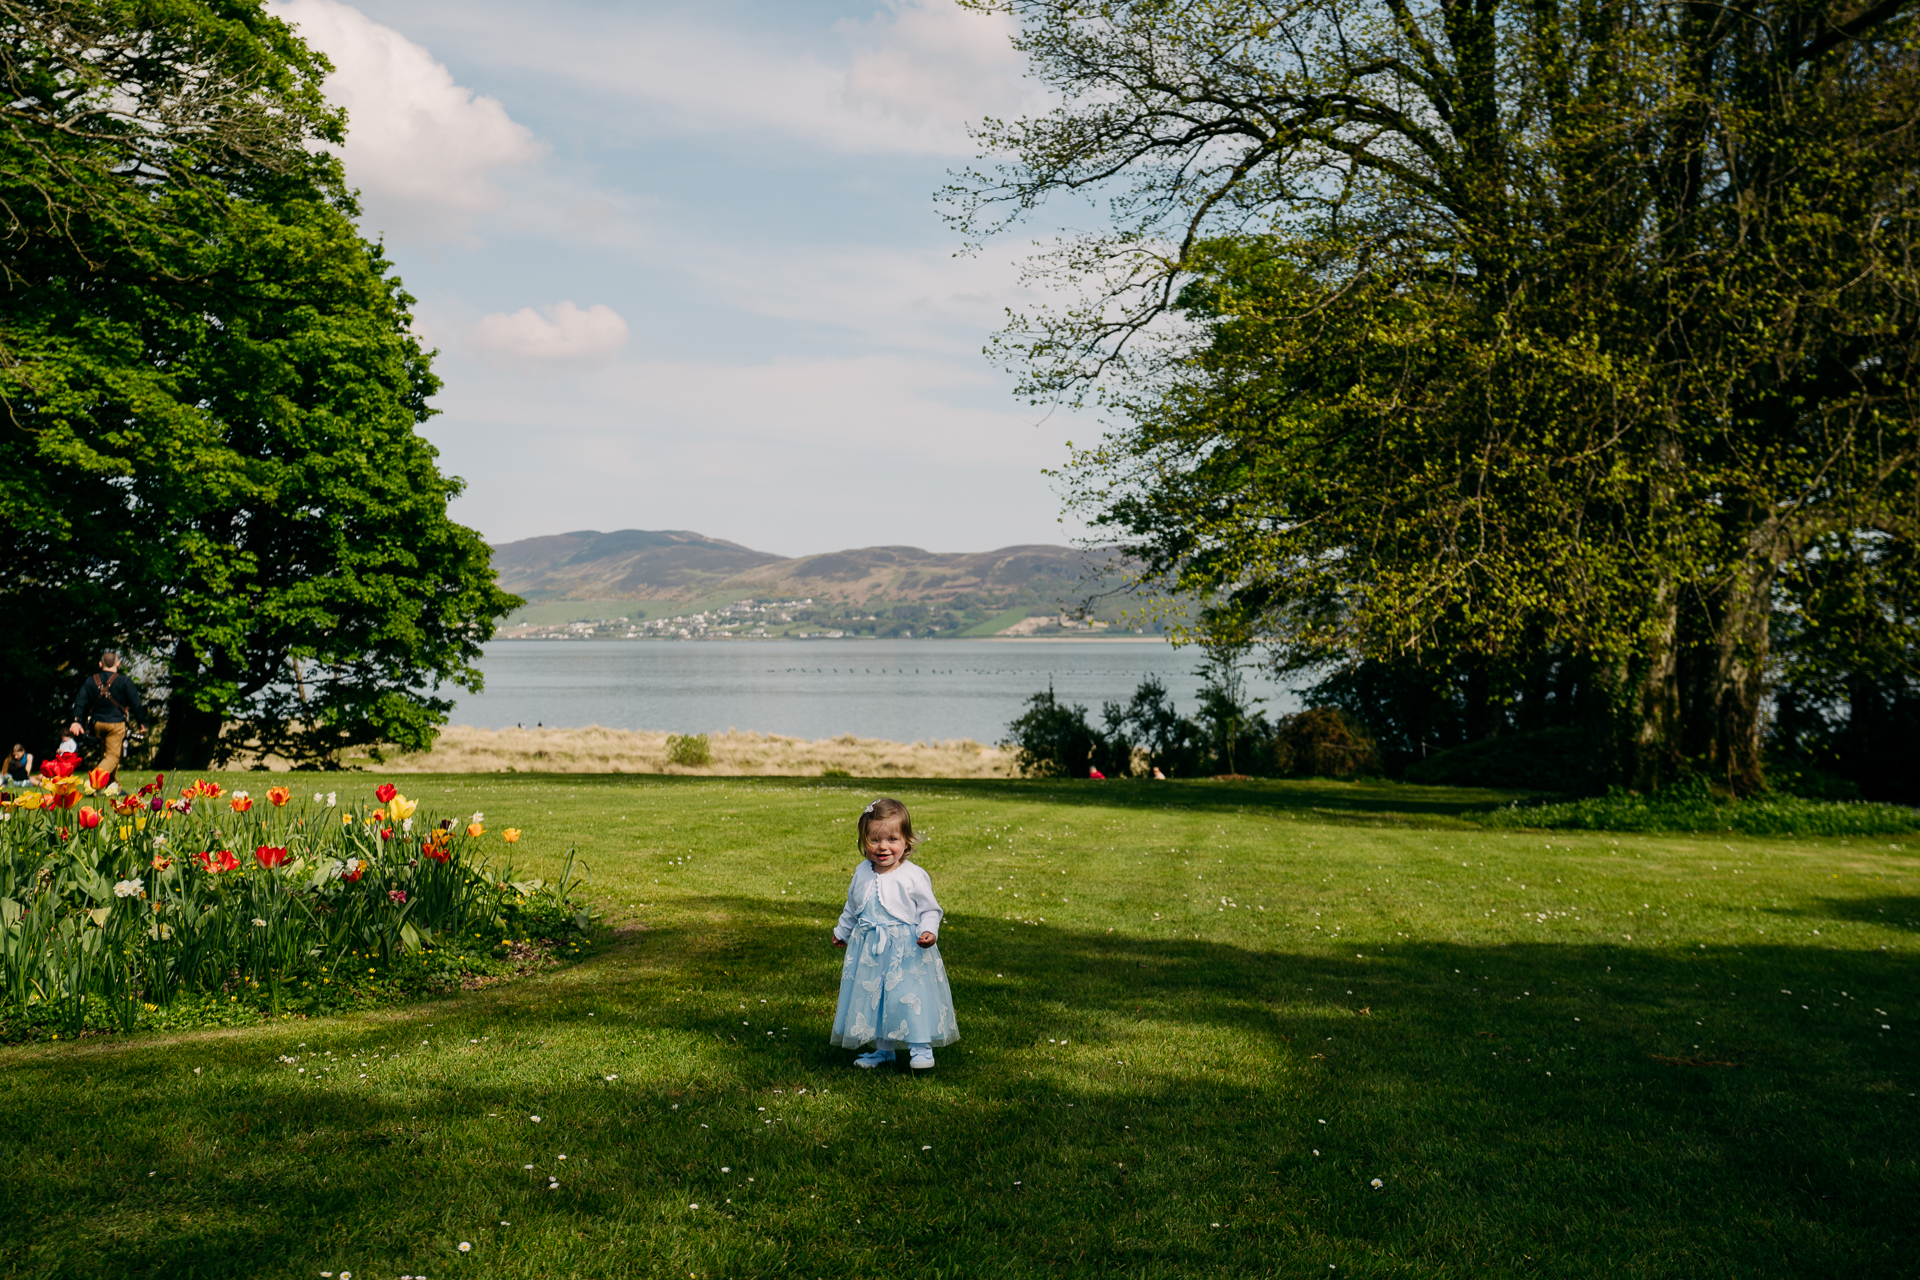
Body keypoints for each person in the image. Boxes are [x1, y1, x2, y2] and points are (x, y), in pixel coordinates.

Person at [828, 796, 959, 1070]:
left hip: (907, 951)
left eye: (892, 839)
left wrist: (928, 932)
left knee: (907, 996)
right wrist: (842, 931)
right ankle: (883, 1049)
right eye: (874, 840)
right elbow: (853, 906)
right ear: (864, 842)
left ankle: (920, 1047)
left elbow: (929, 910)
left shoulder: (913, 875)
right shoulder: (862, 872)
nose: (883, 847)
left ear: (906, 842)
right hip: (871, 950)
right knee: (876, 999)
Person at [69, 651, 146, 783]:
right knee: (112, 756)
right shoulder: (124, 680)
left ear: (100, 664)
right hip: (116, 724)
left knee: (106, 755)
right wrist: (142, 722)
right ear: (118, 664)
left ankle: (112, 787)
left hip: (97, 724)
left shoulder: (90, 681)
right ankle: (93, 783)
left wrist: (77, 721)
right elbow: (135, 703)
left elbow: (80, 702)